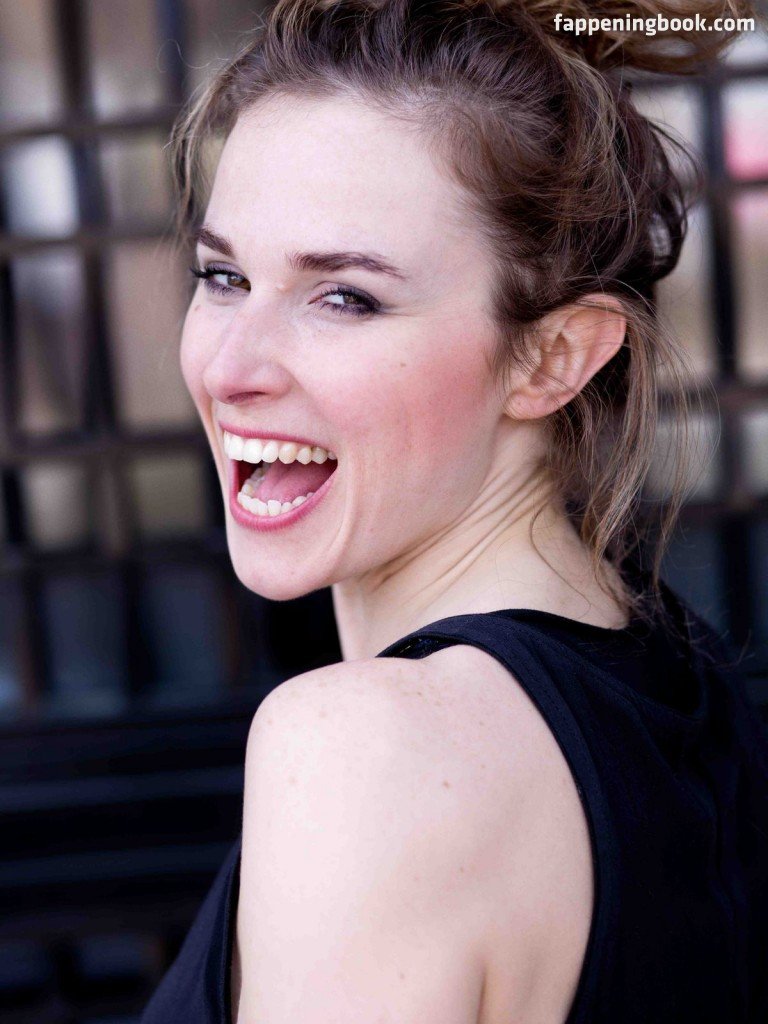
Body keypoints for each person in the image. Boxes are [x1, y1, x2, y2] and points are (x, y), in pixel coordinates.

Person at [141, 0, 768, 1021]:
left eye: (345, 297)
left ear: (553, 356)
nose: (229, 367)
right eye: (224, 276)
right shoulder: (680, 682)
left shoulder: (363, 757)